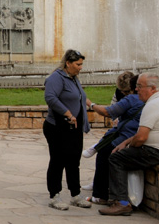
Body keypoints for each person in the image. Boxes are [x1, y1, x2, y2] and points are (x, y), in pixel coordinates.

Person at [99, 73, 159, 216]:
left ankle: (121, 203)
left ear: (152, 88)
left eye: (140, 86)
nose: (136, 89)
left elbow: (141, 138)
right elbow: (142, 134)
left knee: (116, 158)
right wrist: (126, 142)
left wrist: (127, 147)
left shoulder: (153, 105)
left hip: (158, 152)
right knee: (121, 152)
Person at [83, 73, 144, 205]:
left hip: (128, 136)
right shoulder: (149, 99)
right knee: (110, 139)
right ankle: (95, 148)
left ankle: (100, 195)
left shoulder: (131, 99)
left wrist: (90, 104)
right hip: (135, 134)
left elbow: (108, 112)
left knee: (104, 153)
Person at [43, 49, 92, 211]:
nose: (80, 68)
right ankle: (54, 196)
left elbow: (80, 97)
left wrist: (92, 105)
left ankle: (75, 194)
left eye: (81, 64)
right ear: (68, 63)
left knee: (73, 161)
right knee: (58, 161)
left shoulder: (73, 78)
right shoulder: (56, 78)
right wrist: (67, 113)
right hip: (57, 126)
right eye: (78, 64)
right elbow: (50, 98)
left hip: (74, 128)